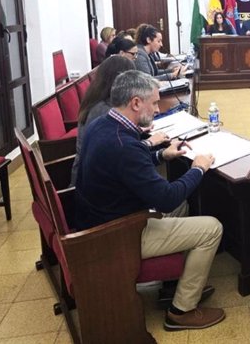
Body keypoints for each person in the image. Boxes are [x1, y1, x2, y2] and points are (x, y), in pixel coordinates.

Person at [75, 70, 225, 331]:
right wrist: (198, 168)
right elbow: (165, 199)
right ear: (135, 103)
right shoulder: (124, 144)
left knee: (184, 205)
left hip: (101, 216)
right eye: (154, 103)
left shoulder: (103, 123)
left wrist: (160, 156)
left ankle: (172, 282)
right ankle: (182, 310)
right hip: (118, 234)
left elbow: (124, 164)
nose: (157, 109)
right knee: (212, 228)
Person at [70, 56, 166, 185]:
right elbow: (121, 151)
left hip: (96, 176)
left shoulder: (99, 101)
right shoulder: (103, 111)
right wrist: (149, 142)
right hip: (93, 183)